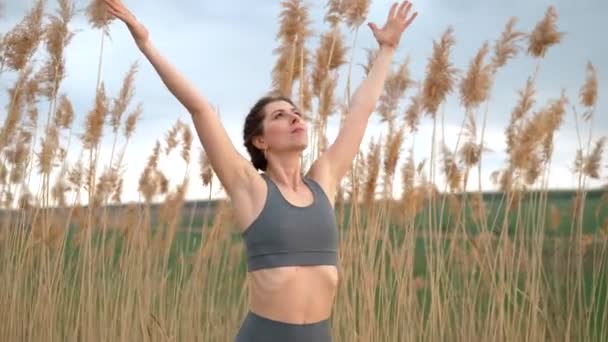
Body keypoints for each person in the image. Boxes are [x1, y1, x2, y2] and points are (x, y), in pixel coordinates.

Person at [101, 0, 418, 340]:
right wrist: (146, 43)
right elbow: (200, 109)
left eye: (295, 112)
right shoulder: (250, 188)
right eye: (279, 116)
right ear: (261, 141)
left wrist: (386, 49)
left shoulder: (323, 180)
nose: (295, 117)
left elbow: (361, 111)